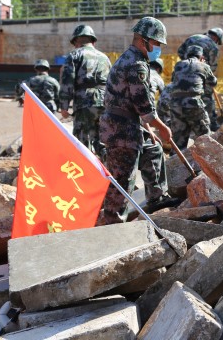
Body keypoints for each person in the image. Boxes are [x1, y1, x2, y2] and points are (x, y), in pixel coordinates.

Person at [100, 16, 172, 225]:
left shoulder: (131, 58)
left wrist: (148, 127)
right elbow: (143, 105)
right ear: (143, 40)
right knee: (123, 179)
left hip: (128, 124)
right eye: (156, 43)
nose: (158, 48)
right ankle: (113, 222)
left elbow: (133, 101)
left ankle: (157, 197)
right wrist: (163, 128)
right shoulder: (136, 65)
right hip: (121, 130)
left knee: (153, 149)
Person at [59, 24, 111, 159]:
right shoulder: (104, 58)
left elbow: (67, 81)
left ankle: (85, 168)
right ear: (93, 41)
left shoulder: (74, 55)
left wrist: (64, 106)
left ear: (76, 41)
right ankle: (107, 165)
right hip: (104, 102)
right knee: (102, 139)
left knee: (82, 141)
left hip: (84, 102)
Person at [138, 57, 171, 212]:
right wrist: (163, 124)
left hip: (139, 115)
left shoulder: (141, 73)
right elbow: (164, 99)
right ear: (160, 68)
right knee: (153, 149)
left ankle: (154, 196)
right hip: (144, 114)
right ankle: (156, 197)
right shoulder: (157, 77)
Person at [169, 45, 217, 149]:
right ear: (201, 56)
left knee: (178, 140)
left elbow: (173, 80)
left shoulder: (178, 65)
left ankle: (175, 158)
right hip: (193, 103)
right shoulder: (204, 66)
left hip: (175, 104)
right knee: (205, 137)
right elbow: (213, 82)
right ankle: (207, 156)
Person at [177, 27, 223, 131]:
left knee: (181, 95)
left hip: (183, 70)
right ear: (217, 38)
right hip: (200, 72)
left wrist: (188, 62)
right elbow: (212, 67)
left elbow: (180, 51)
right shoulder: (213, 46)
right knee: (207, 96)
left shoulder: (192, 37)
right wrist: (207, 77)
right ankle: (212, 123)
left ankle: (184, 122)